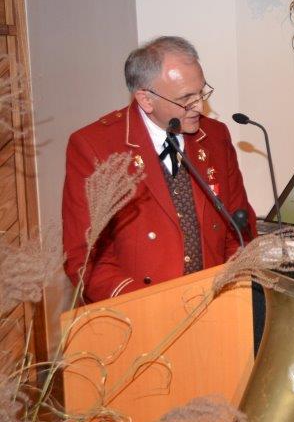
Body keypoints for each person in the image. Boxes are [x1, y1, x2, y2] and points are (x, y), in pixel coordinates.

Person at [63, 36, 256, 303]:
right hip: (140, 312)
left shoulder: (215, 136)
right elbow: (85, 256)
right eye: (186, 98)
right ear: (146, 99)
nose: (199, 106)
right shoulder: (96, 146)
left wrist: (229, 288)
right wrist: (151, 305)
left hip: (215, 304)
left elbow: (240, 228)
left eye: (201, 92)